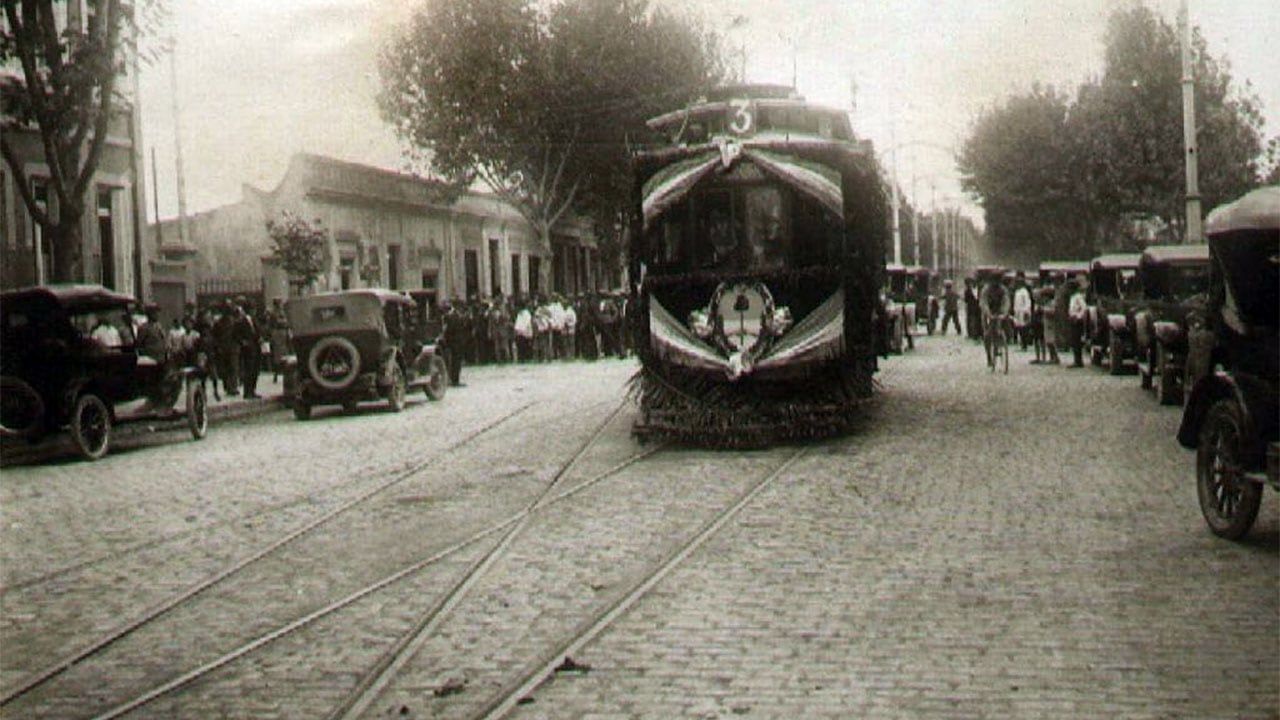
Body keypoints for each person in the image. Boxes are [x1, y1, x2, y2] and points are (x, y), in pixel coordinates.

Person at [980, 277, 1010, 367]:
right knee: (987, 334)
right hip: (988, 311)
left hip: (998, 310)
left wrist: (1004, 313)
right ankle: (989, 355)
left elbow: (1006, 301)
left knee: (1001, 324)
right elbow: (983, 302)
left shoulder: (1003, 289)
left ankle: (1001, 339)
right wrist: (988, 314)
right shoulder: (986, 289)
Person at [235, 302, 261, 399]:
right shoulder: (241, 321)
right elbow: (236, 335)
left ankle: (253, 390)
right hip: (247, 349)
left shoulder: (254, 320)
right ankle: (247, 392)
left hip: (256, 347)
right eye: (253, 309)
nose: (254, 311)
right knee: (248, 370)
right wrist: (243, 342)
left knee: (255, 370)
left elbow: (257, 331)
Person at [441, 301, 466, 385]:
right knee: (454, 362)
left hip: (457, 342)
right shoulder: (449, 316)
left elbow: (449, 329)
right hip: (452, 342)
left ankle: (455, 380)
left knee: (456, 362)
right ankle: (454, 380)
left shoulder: (454, 316)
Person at [1067, 276, 1089, 368]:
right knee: (1074, 341)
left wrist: (1078, 316)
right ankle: (1076, 359)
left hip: (1077, 321)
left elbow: (1084, 308)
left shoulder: (1078, 297)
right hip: (1072, 319)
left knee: (1077, 341)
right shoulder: (1072, 297)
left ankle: (1078, 361)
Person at [1012, 274, 1033, 350]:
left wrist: (1026, 311)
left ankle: (1024, 345)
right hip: (1018, 312)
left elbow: (1027, 302)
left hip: (1023, 312)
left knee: (1024, 329)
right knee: (1019, 328)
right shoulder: (1017, 291)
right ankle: (1021, 343)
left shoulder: (1024, 292)